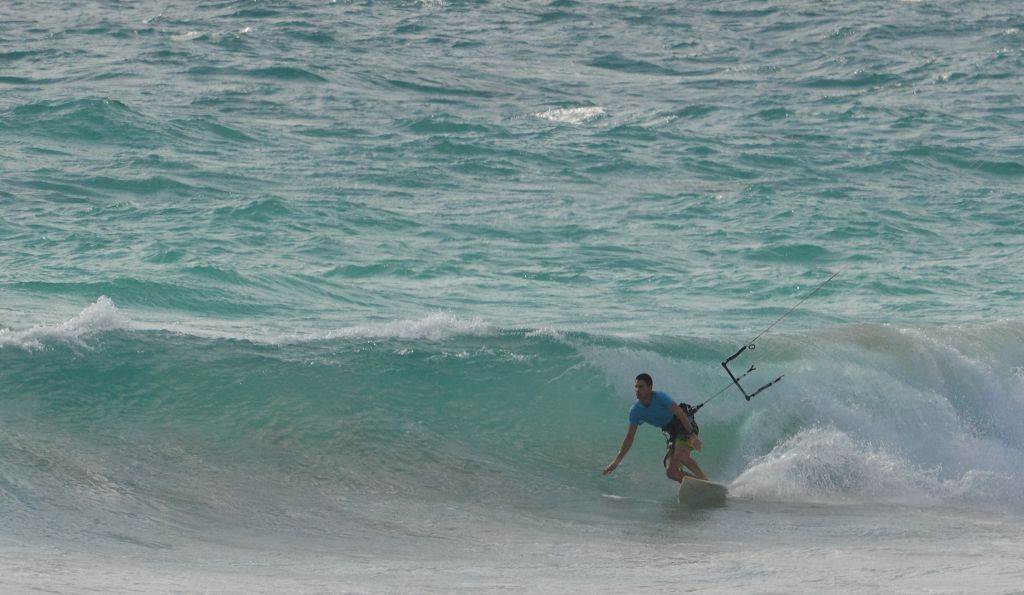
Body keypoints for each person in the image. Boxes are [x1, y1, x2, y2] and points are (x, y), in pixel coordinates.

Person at [602, 373, 707, 481]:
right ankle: (699, 486)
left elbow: (679, 412)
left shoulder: (660, 397)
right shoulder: (635, 411)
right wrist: (616, 461)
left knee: (680, 455)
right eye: (636, 387)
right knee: (671, 472)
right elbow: (629, 438)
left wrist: (692, 435)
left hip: (684, 424)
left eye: (641, 386)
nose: (637, 390)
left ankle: (705, 481)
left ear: (650, 387)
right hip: (671, 432)